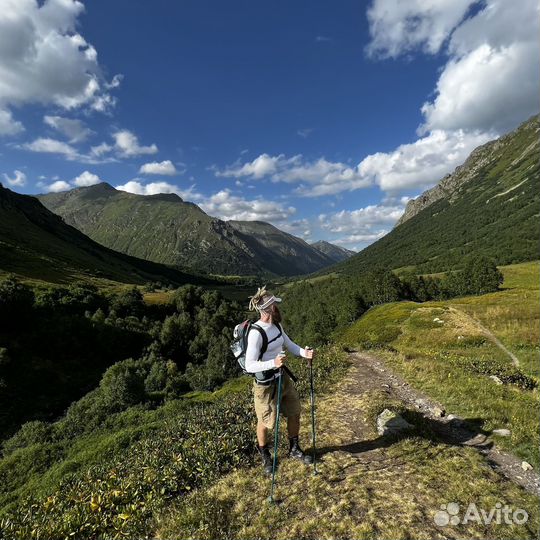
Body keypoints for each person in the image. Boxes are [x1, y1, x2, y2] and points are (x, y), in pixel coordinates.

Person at [245, 286, 315, 474]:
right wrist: (272, 363)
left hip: (282, 378)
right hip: (266, 385)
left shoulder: (276, 326)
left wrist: (304, 353)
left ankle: (294, 448)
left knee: (294, 412)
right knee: (266, 421)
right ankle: (265, 455)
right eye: (275, 304)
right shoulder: (256, 334)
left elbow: (289, 344)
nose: (277, 307)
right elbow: (249, 365)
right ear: (268, 308)